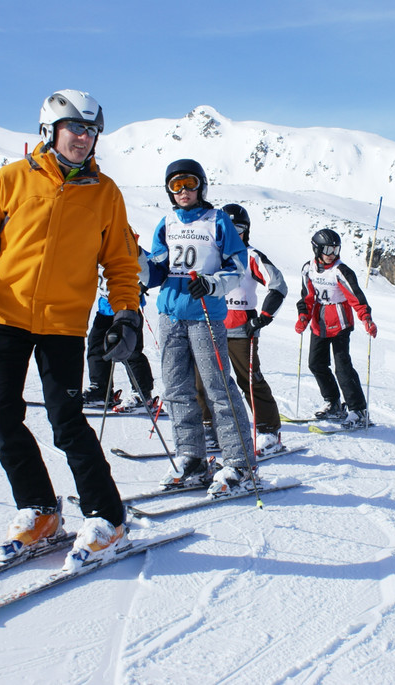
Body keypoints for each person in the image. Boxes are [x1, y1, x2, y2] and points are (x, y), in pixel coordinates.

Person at [0, 89, 142, 571]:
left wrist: (126, 315)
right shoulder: (13, 178)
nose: (84, 137)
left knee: (66, 422)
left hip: (63, 325)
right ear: (49, 130)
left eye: (91, 130)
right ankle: (39, 509)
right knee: (1, 415)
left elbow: (121, 263)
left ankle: (108, 517)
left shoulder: (106, 193)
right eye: (75, 127)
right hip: (5, 319)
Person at [144, 159, 257, 497]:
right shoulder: (166, 223)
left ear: (201, 186)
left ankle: (240, 462)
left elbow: (237, 266)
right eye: (176, 185)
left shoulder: (218, 220)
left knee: (217, 386)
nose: (183, 191)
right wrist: (136, 261)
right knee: (176, 388)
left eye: (189, 183)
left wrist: (212, 283)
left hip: (205, 312)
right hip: (170, 314)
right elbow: (157, 270)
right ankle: (191, 457)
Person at [194, 202, 288, 455]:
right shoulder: (210, 254)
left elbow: (278, 285)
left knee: (249, 380)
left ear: (246, 230)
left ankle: (268, 431)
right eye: (228, 228)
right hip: (209, 325)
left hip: (241, 329)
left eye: (239, 229)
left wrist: (263, 317)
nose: (234, 234)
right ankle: (209, 428)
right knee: (203, 379)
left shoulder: (251, 255)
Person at [295, 228, 377, 427]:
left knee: (343, 368)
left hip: (340, 322)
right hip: (319, 323)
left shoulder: (341, 271)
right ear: (317, 249)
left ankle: (358, 410)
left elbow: (356, 296)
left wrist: (366, 317)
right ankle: (333, 403)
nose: (332, 254)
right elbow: (307, 296)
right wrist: (303, 315)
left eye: (336, 250)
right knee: (316, 364)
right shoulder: (308, 269)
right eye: (328, 250)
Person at [84, 265, 159, 414]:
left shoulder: (131, 252)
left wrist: (142, 285)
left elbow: (151, 268)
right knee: (96, 346)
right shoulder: (98, 254)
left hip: (128, 309)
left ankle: (142, 394)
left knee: (130, 351)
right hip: (105, 309)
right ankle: (100, 390)